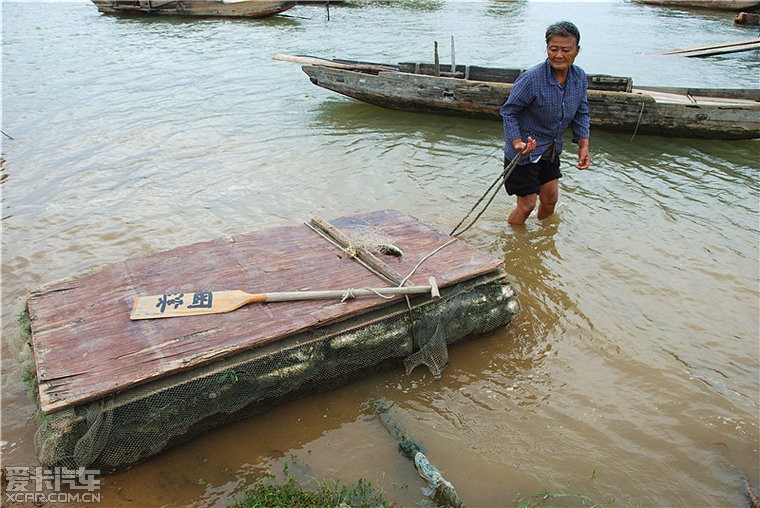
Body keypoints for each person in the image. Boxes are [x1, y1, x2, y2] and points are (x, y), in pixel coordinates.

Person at [500, 21, 591, 225]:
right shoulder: (531, 78)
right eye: (553, 49)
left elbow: (582, 111)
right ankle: (515, 242)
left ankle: (540, 242)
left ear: (577, 51)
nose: (559, 55)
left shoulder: (579, 77)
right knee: (527, 205)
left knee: (550, 201)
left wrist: (583, 146)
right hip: (524, 151)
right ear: (547, 48)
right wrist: (517, 143)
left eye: (566, 50)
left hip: (550, 148)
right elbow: (509, 111)